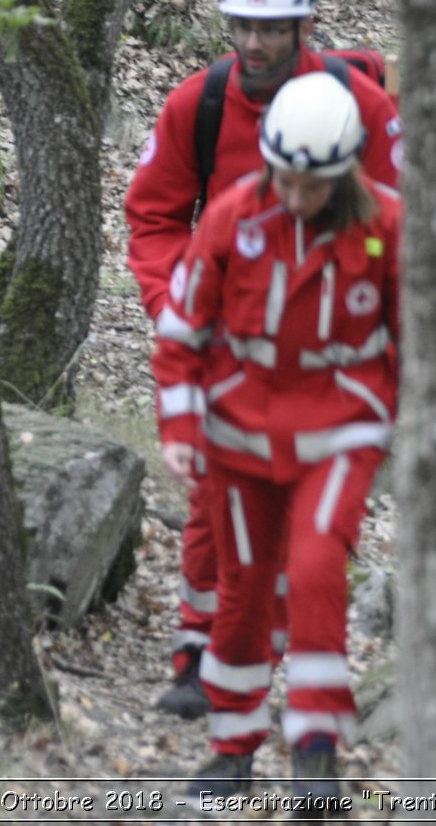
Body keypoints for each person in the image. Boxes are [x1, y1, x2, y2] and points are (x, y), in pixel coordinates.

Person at [124, 0, 401, 720]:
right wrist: (185, 305)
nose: (255, 42)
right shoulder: (199, 105)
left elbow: (394, 229)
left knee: (302, 532)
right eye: (242, 24)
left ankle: (275, 661)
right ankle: (197, 650)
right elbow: (152, 216)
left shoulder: (361, 109)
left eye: (273, 28)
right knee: (216, 498)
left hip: (327, 355)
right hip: (227, 339)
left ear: (303, 24)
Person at [154, 72, 401, 805]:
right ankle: (232, 748)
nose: (297, 198)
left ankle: (316, 752)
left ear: (346, 171)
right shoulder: (234, 216)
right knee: (246, 589)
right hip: (240, 429)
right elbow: (183, 328)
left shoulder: (387, 225)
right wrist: (179, 424)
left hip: (341, 421)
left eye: (314, 185)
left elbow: (414, 331)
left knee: (319, 566)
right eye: (287, 180)